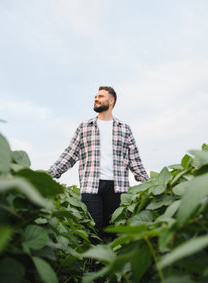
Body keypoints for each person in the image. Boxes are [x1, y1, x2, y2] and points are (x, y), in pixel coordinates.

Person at [48, 86, 149, 240]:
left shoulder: (124, 128)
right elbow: (70, 154)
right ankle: (92, 264)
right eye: (96, 97)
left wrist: (149, 183)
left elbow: (134, 159)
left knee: (113, 232)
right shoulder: (84, 127)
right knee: (93, 231)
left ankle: (110, 262)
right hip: (91, 186)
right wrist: (49, 175)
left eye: (101, 96)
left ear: (111, 100)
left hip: (117, 187)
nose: (96, 99)